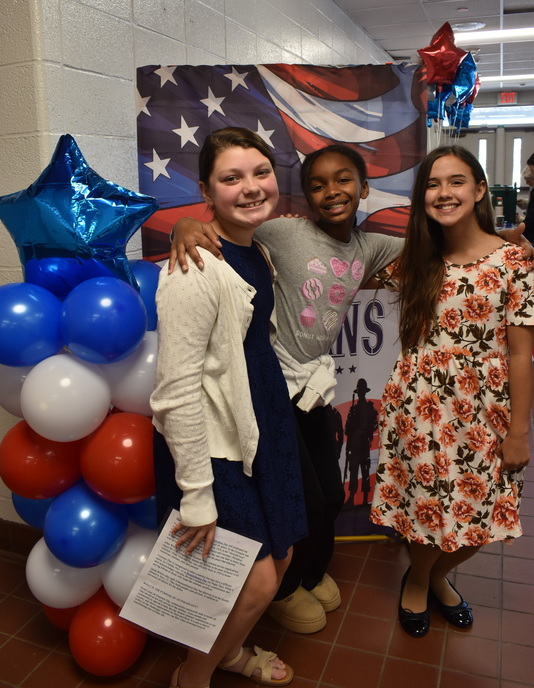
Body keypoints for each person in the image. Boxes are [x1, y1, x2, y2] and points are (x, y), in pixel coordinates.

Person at [170, 144, 403, 634]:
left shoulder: (370, 246)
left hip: (313, 387)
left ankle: (313, 571)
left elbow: (429, 247)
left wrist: (507, 238)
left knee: (331, 495)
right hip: (271, 383)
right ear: (305, 197)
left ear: (363, 189)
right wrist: (183, 226)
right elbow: (220, 231)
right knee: (306, 498)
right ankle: (287, 586)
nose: (331, 192)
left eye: (343, 181)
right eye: (317, 185)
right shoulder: (280, 231)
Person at [151, 127, 307, 688]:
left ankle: (232, 652)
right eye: (230, 178)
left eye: (260, 173)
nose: (250, 187)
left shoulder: (258, 247)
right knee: (257, 580)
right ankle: (192, 675)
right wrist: (195, 495)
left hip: (264, 420)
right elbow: (175, 392)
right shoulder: (192, 267)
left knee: (282, 556)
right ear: (206, 189)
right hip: (215, 440)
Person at [370, 144, 534, 639]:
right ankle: (419, 580)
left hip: (484, 411)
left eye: (457, 181)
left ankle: (435, 575)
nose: (444, 193)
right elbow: (338, 264)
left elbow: (522, 354)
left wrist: (520, 432)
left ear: (480, 189)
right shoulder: (415, 258)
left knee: (484, 512)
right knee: (427, 510)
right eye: (433, 185)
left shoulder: (512, 262)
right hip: (418, 410)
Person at [344, 378, 378, 507]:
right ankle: (352, 497)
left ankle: (364, 499)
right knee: (354, 470)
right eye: (360, 391)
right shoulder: (354, 409)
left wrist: (365, 431)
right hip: (354, 443)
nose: (361, 394)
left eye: (362, 391)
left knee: (365, 470)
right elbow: (347, 428)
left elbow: (374, 424)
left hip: (364, 443)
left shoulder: (370, 409)